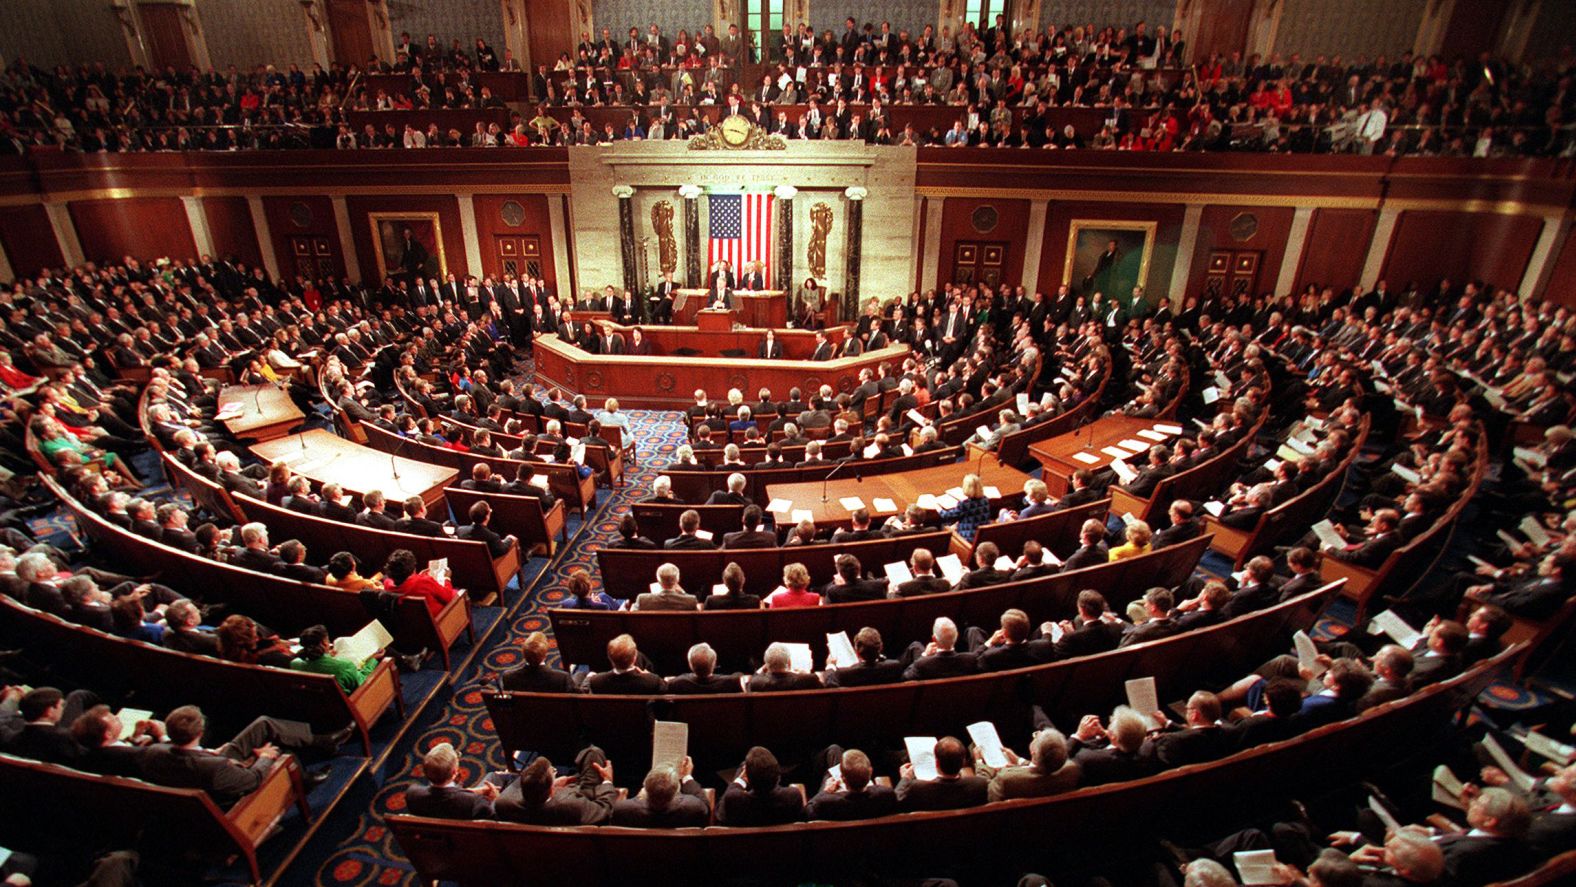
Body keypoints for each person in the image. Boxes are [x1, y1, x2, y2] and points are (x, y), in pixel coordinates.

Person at [141, 705, 348, 806]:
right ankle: (303, 780)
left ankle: (322, 741)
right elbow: (253, 780)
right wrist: (264, 757)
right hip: (229, 786)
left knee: (263, 724)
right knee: (280, 751)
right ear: (200, 733)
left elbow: (178, 753)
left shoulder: (153, 751)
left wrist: (210, 753)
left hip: (209, 762)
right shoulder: (217, 769)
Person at [975, 728, 1080, 802]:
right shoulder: (1072, 770)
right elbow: (1045, 769)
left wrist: (980, 763)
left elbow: (986, 794)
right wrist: (1019, 761)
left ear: (1033, 752)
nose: (1034, 737)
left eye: (1036, 737)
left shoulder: (1006, 779)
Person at [404, 741, 497, 820]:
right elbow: (495, 820)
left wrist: (469, 792)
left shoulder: (412, 795)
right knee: (494, 777)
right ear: (454, 773)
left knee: (493, 776)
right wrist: (496, 800)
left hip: (437, 836)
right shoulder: (474, 802)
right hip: (468, 838)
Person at [895, 736, 988, 811]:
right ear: (963, 762)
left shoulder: (917, 788)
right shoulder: (979, 785)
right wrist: (979, 761)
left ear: (936, 762)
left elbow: (894, 803)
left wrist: (905, 778)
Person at [718, 746, 805, 825]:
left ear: (749, 779)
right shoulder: (792, 797)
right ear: (778, 776)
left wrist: (739, 781)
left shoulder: (735, 801)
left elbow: (719, 815)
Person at [610, 761, 711, 827]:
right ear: (676, 792)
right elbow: (705, 807)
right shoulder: (694, 808)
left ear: (645, 788)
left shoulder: (622, 810)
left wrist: (637, 798)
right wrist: (687, 777)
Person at [806, 748, 898, 821]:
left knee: (834, 751)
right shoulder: (886, 795)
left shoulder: (825, 804)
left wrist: (826, 791)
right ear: (870, 771)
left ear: (842, 778)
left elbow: (808, 811)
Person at [291, 624, 379, 692]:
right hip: (352, 707)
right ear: (324, 643)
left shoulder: (295, 664)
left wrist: (327, 656)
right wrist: (373, 659)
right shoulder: (344, 666)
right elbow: (362, 682)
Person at [383, 548, 457, 618]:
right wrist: (447, 578)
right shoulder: (424, 582)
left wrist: (419, 576)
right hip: (438, 621)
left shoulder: (387, 584)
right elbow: (447, 597)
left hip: (413, 623)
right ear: (413, 569)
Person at [584, 634, 664, 694]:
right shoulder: (652, 681)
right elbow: (666, 689)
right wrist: (649, 675)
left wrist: (589, 677)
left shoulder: (596, 681)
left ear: (610, 658)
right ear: (635, 658)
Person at [500, 631, 578, 692]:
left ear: (524, 655)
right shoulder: (562, 679)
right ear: (545, 655)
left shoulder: (508, 678)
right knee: (581, 674)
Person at [935, 473, 992, 541]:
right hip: (983, 536)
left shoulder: (965, 504)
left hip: (968, 538)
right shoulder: (985, 499)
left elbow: (946, 515)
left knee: (943, 525)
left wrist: (937, 507)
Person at [634, 563, 700, 611]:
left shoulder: (642, 599)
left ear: (658, 581)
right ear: (677, 580)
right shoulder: (691, 600)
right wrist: (684, 594)